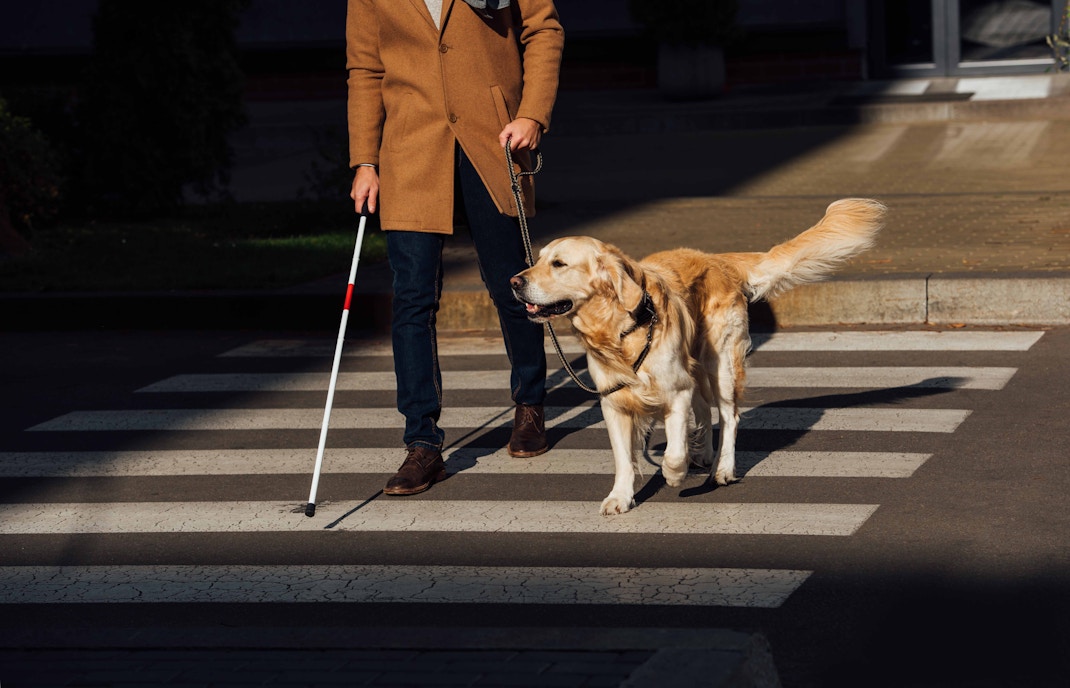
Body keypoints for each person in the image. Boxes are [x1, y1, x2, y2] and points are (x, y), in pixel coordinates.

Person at [346, 0, 565, 496]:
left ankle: (530, 403)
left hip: (493, 141)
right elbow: (364, 68)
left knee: (514, 287)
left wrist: (532, 114)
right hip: (409, 148)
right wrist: (364, 159)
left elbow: (543, 29)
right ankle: (422, 443)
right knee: (413, 301)